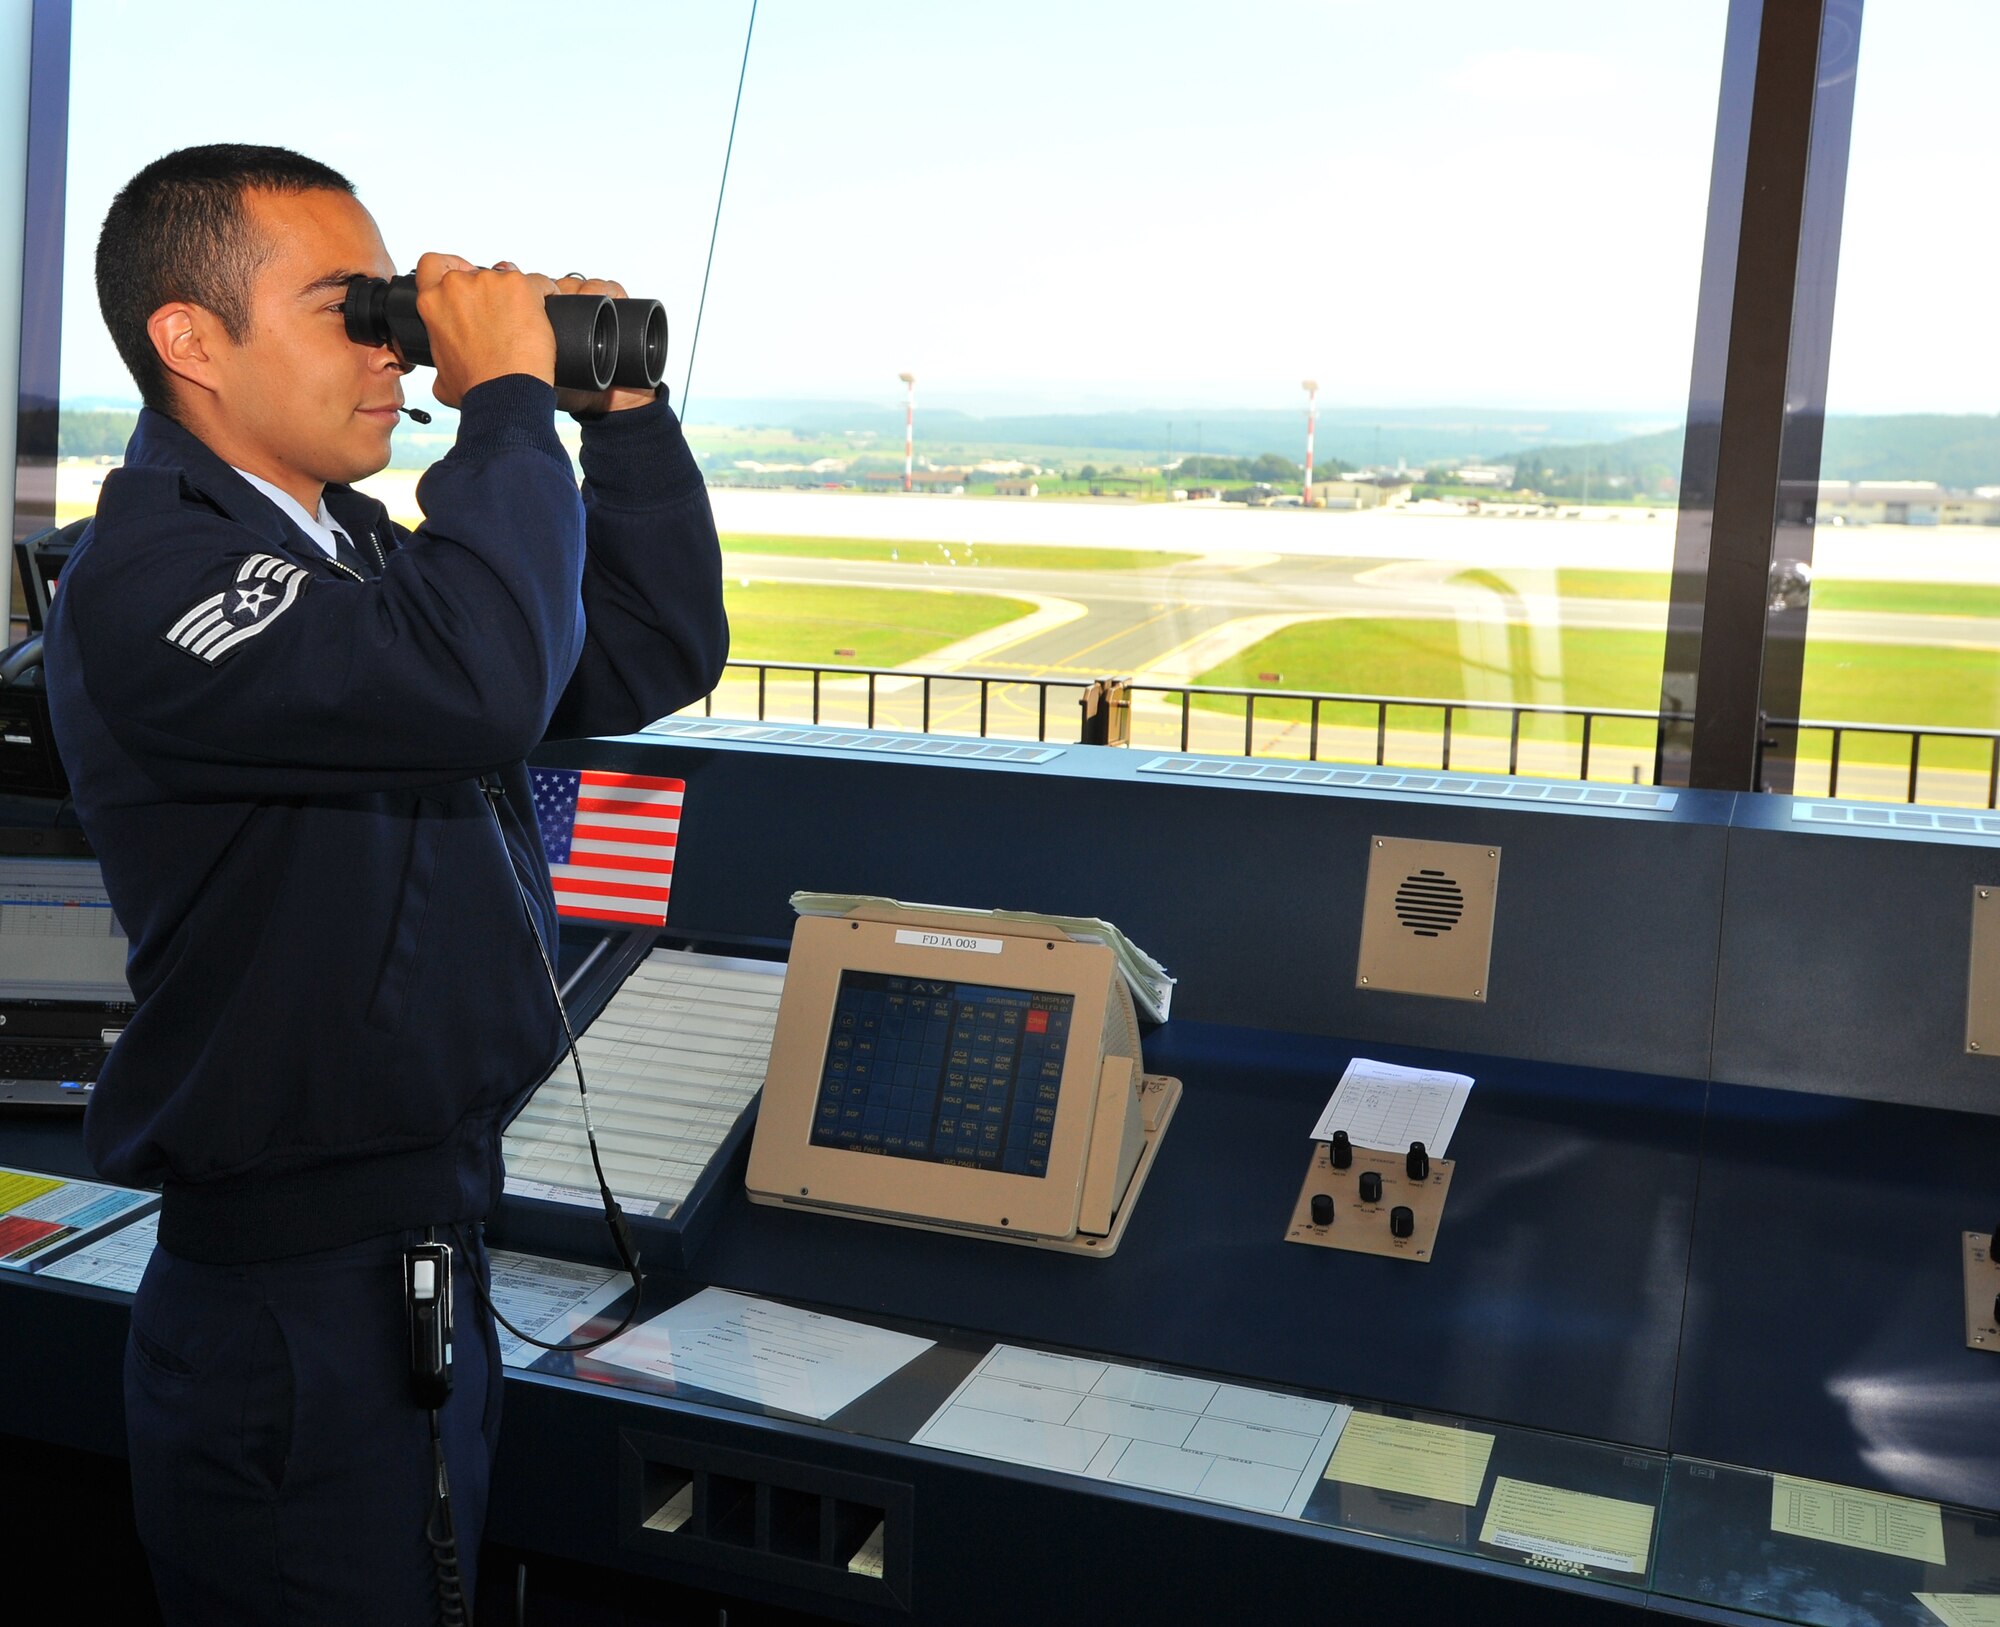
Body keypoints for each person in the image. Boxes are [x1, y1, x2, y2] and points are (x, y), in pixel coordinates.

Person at [43, 143, 727, 1624]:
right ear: (190, 341)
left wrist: (621, 422)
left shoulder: (342, 549)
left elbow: (641, 653)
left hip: (420, 1267)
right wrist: (496, 397)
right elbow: (480, 681)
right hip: (290, 1312)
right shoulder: (158, 576)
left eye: (388, 310)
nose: (383, 346)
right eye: (342, 309)